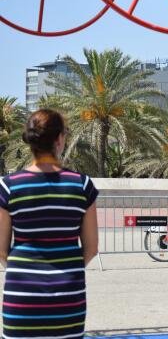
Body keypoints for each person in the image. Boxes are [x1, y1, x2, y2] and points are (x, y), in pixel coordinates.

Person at [0, 109, 99, 339]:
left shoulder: (9, 187)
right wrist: (65, 270)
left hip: (21, 297)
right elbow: (92, 248)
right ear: (59, 139)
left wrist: (26, 269)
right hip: (68, 299)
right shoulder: (82, 186)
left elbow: (1, 249)